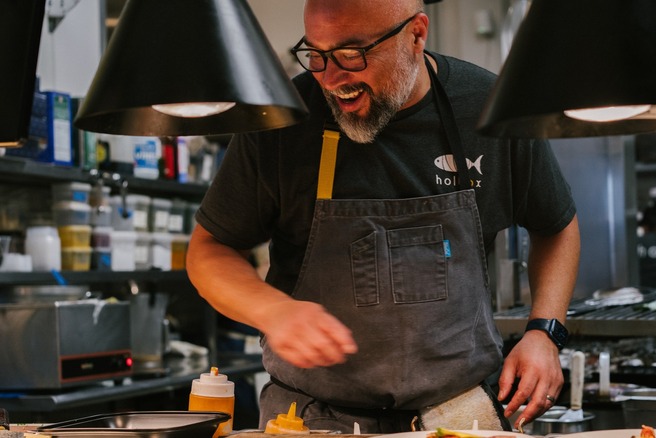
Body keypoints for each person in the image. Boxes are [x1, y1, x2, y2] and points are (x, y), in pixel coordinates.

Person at [186, 0, 580, 433]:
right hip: (313, 418)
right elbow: (208, 251)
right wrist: (272, 311)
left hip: (459, 414)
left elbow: (556, 226)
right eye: (316, 54)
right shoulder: (284, 122)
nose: (331, 79)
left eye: (352, 54)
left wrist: (544, 332)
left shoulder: (486, 107)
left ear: (416, 34)